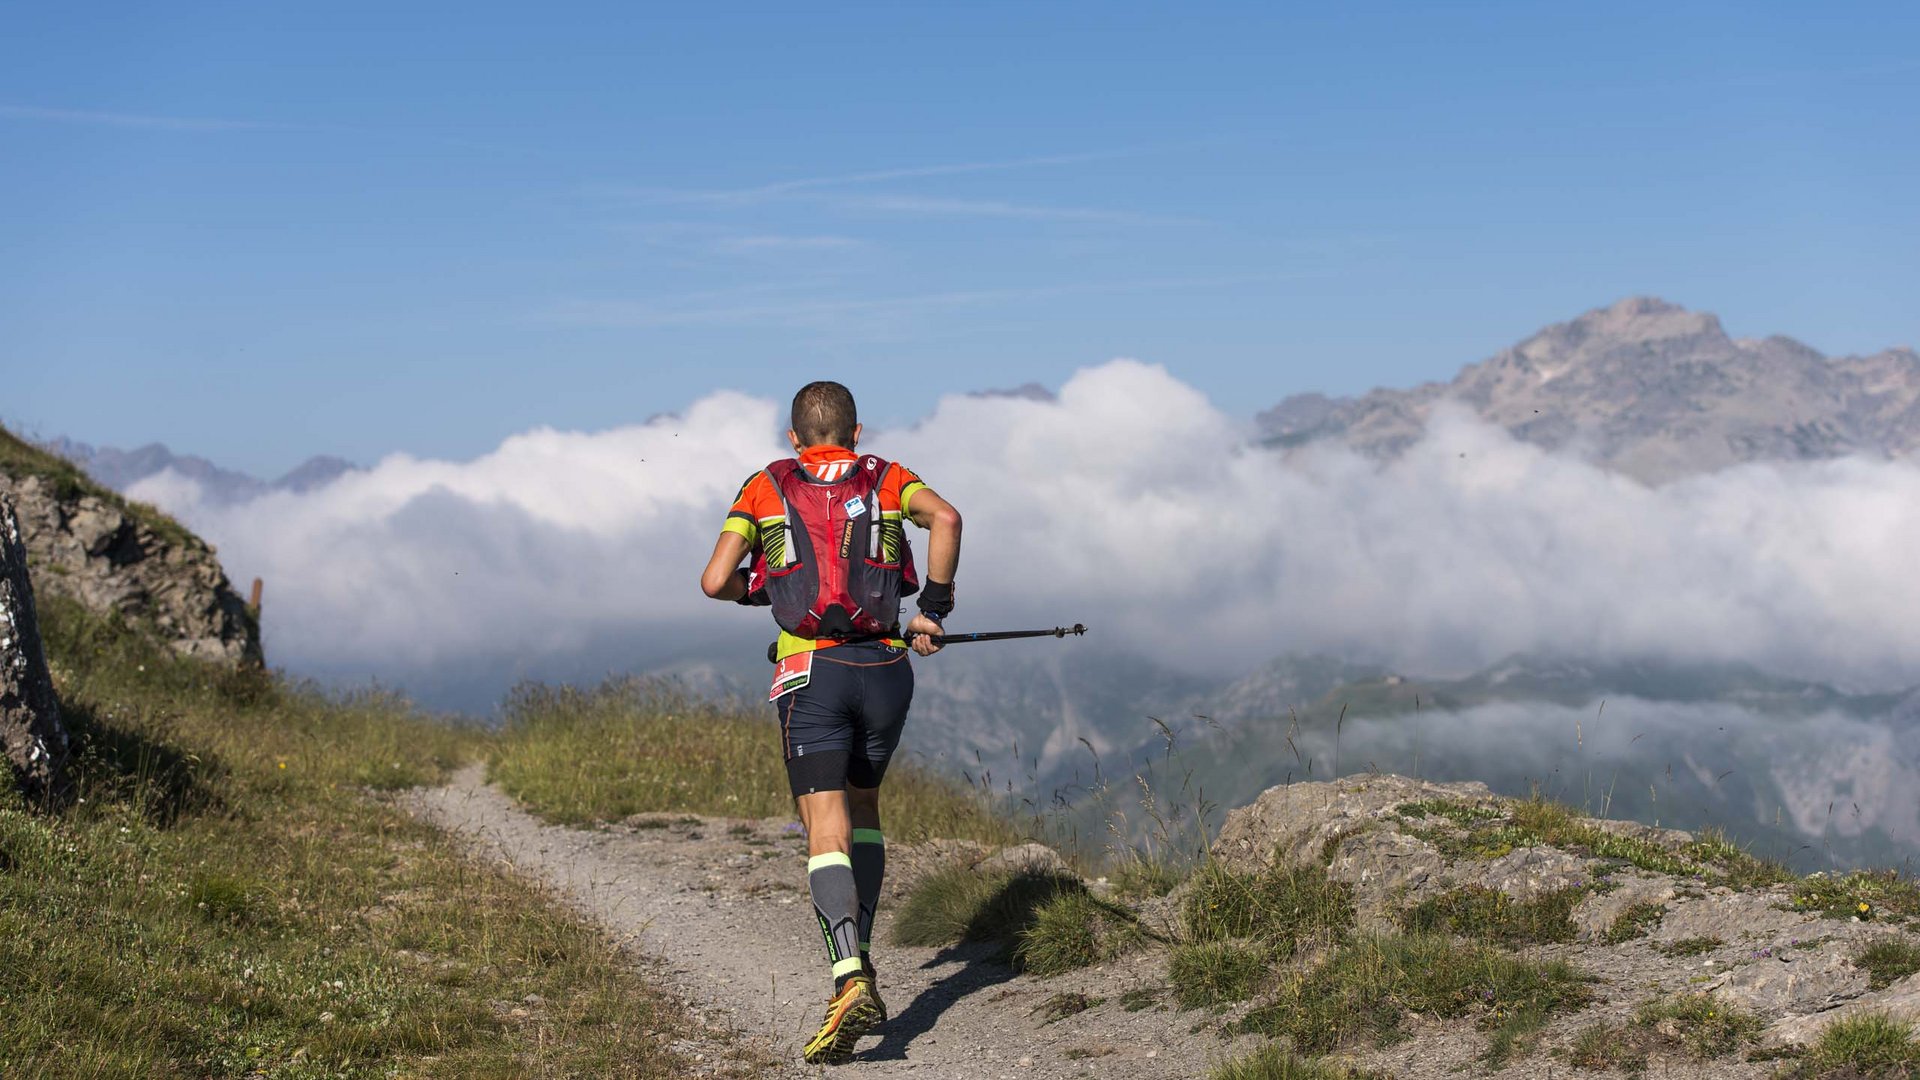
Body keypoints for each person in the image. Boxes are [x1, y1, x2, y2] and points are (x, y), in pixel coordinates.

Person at [699, 380, 961, 1065]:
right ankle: (864, 958)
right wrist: (932, 609)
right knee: (864, 807)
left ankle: (848, 977)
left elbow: (714, 579)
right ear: (855, 430)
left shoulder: (765, 485)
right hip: (885, 669)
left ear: (794, 436)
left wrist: (760, 588)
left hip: (811, 674)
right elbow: (949, 519)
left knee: (824, 823)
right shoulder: (889, 476)